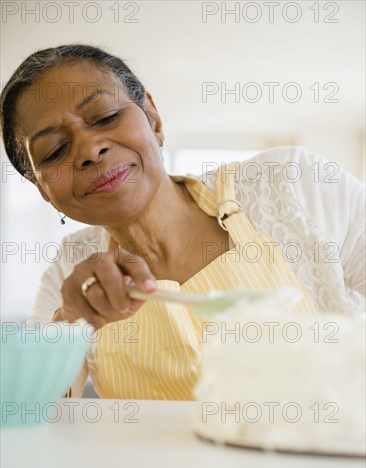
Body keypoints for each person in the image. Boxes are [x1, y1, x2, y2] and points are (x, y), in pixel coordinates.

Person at [1, 45, 365, 399]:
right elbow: (25, 419)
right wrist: (69, 326)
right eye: (55, 151)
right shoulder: (68, 271)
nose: (89, 150)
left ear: (153, 118)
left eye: (106, 116)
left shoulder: (293, 184)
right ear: (43, 190)